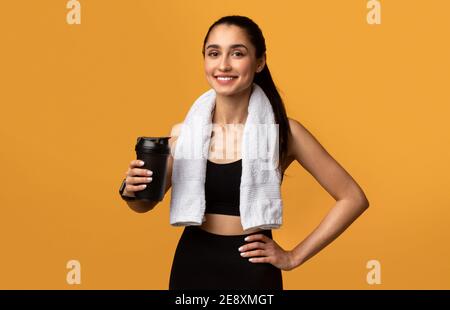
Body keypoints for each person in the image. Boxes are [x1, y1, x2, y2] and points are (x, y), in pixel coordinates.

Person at [120, 15, 369, 290]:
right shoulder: (184, 133)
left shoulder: (284, 133)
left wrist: (293, 256)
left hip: (252, 271)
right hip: (192, 265)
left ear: (260, 61)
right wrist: (133, 190)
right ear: (204, 60)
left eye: (237, 53)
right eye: (214, 53)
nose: (223, 64)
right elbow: (143, 205)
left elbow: (352, 198)